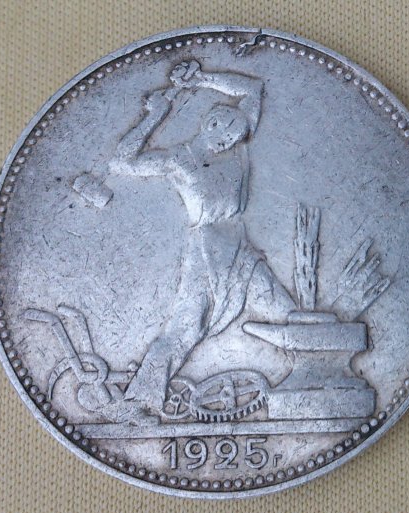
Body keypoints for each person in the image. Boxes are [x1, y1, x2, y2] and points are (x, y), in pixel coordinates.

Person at [105, 60, 297, 423]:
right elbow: (122, 162)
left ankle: (309, 384)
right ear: (211, 124)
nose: (230, 143)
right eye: (226, 136)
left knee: (286, 312)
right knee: (185, 328)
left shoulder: (237, 147)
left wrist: (203, 78)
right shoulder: (179, 160)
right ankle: (138, 402)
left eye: (235, 138)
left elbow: (253, 89)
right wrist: (154, 116)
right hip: (206, 252)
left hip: (241, 249)